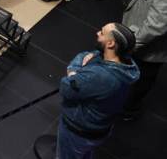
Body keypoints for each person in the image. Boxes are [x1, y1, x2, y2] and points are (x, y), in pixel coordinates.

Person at [57, 23, 139, 158]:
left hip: (78, 131)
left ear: (111, 43)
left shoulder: (100, 76)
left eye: (102, 33)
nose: (97, 33)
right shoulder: (126, 64)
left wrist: (73, 72)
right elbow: (90, 54)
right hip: (100, 128)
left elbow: (66, 88)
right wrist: (88, 59)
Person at [119, 0, 167, 121]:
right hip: (139, 41)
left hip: (148, 49)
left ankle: (128, 110)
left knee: (141, 79)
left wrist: (127, 44)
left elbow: (155, 27)